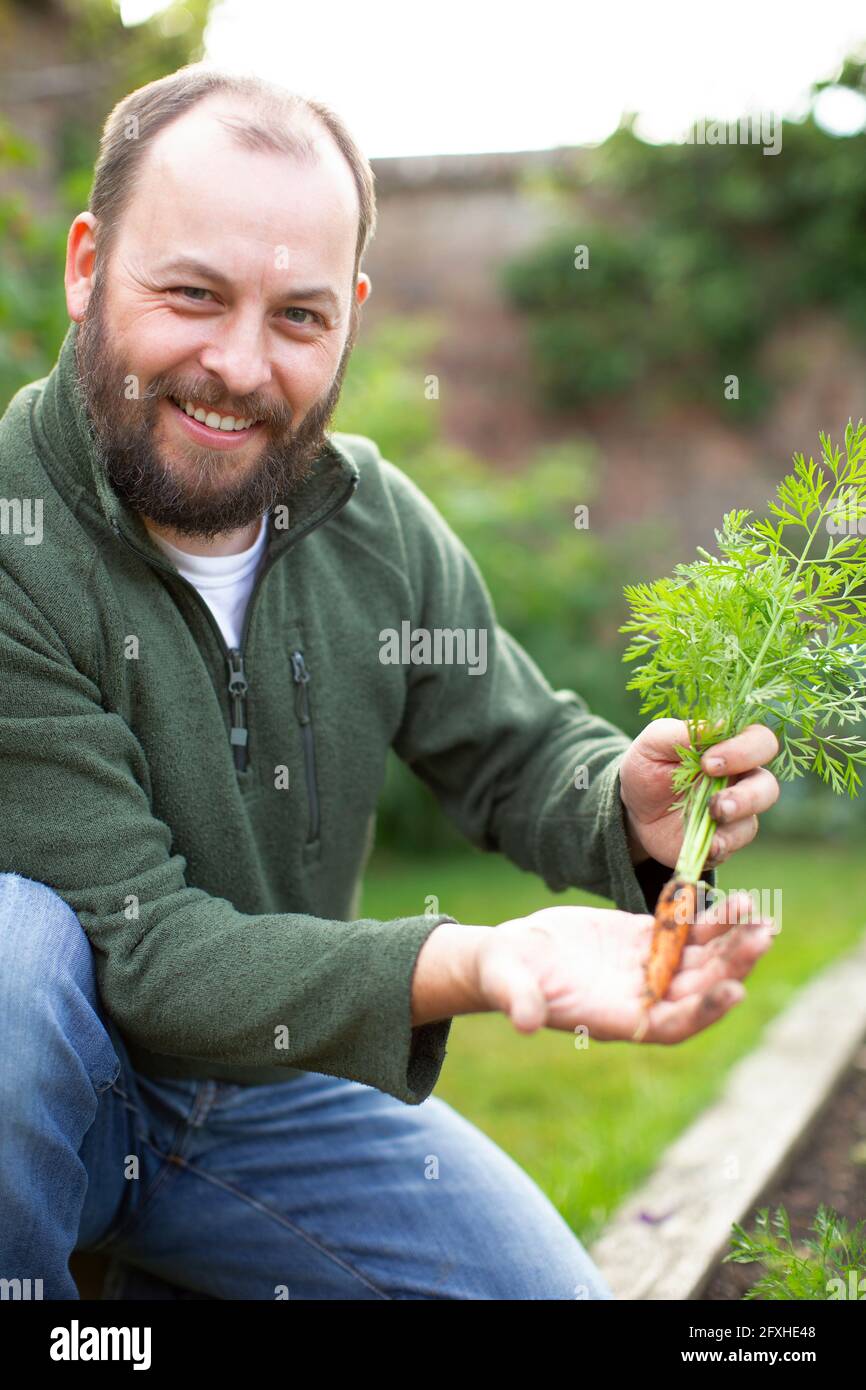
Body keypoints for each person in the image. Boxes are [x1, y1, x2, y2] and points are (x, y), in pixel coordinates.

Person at [0, 66, 779, 1301]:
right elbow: (148, 955)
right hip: (59, 1091)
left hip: (269, 1088)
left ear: (350, 316)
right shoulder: (11, 542)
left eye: (298, 318)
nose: (239, 366)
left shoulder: (368, 522)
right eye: (192, 294)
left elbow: (515, 750)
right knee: (12, 960)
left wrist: (616, 805)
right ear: (87, 264)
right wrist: (466, 959)